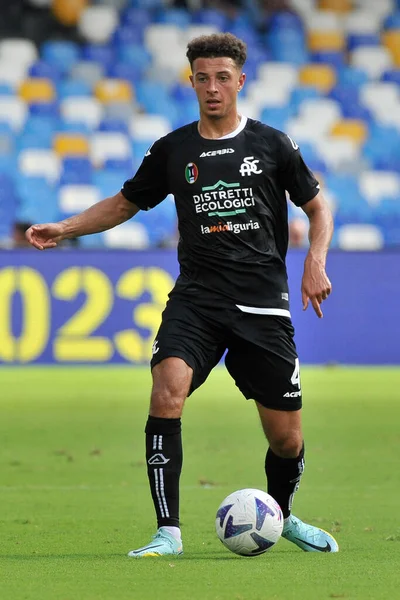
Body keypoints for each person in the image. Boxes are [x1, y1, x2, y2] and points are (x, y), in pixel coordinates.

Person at [26, 33, 338, 557]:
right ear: (190, 80)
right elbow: (126, 204)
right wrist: (66, 227)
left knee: (286, 439)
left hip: (263, 306)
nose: (212, 88)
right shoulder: (173, 150)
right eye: (202, 78)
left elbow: (318, 208)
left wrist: (315, 260)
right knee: (166, 392)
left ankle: (280, 514)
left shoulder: (273, 145)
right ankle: (167, 532)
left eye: (222, 78)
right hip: (198, 300)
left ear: (240, 81)